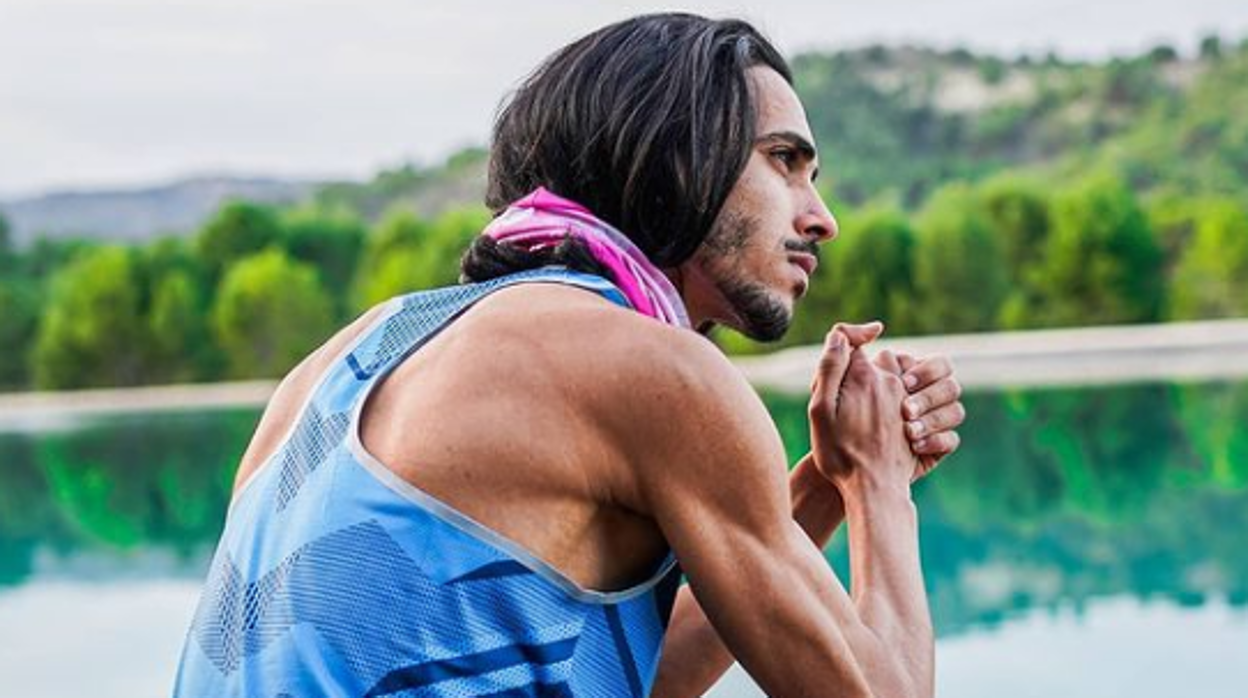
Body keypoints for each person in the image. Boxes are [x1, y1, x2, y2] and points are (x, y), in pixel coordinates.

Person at [174, 13, 965, 698]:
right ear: (679, 154)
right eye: (785, 161)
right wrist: (879, 483)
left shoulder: (350, 353)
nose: (820, 217)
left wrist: (825, 481)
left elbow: (629, 676)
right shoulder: (653, 370)